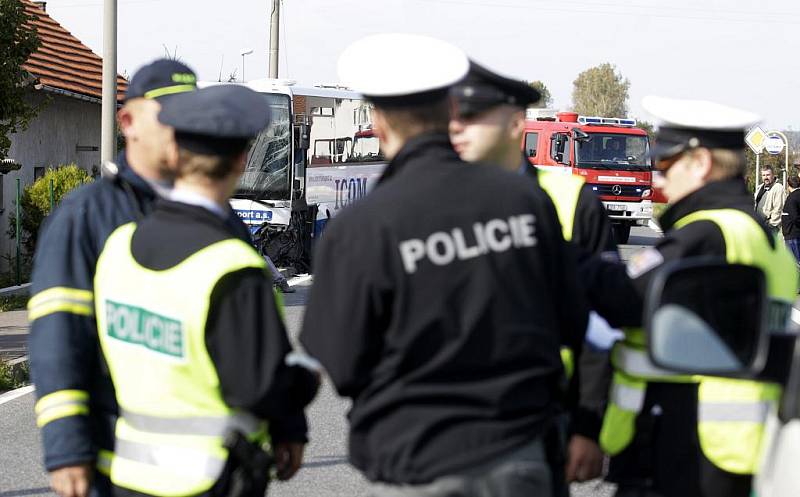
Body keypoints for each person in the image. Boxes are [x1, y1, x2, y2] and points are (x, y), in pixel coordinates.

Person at [301, 33, 590, 497]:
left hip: (417, 460)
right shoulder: (523, 199)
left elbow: (341, 359)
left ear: (377, 123)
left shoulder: (360, 227)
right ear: (452, 111)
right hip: (521, 454)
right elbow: (572, 320)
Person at [26, 59, 242, 497]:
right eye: (169, 114)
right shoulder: (88, 214)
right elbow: (58, 333)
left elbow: (248, 330)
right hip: (120, 470)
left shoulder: (220, 216)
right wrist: (67, 447)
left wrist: (286, 425)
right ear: (127, 122)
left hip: (214, 469)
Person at [93, 84, 319, 497]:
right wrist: (305, 379)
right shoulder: (232, 268)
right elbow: (258, 387)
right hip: (207, 479)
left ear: (174, 155)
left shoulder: (118, 248)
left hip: (126, 474)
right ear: (242, 159)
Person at [589, 96, 799, 497]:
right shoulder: (758, 233)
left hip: (686, 442)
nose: (659, 178)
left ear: (701, 163)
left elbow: (621, 296)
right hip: (732, 443)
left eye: (665, 164)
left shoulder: (709, 231)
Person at [448, 61, 619, 484]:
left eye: (470, 117)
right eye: (451, 117)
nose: (455, 128)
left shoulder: (571, 198)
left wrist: (588, 425)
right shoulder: (435, 197)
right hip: (442, 423)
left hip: (540, 413)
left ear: (514, 124)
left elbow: (603, 322)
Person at [754, 165, 785, 233]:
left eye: (768, 175)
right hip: (759, 224)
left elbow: (778, 208)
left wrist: (771, 224)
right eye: (763, 175)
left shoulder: (778, 188)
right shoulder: (760, 187)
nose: (766, 177)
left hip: (770, 226)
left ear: (773, 175)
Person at [781, 176, 800, 264]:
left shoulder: (792, 198)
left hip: (792, 235)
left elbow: (795, 218)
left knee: (795, 264)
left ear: (788, 186)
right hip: (795, 234)